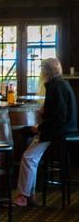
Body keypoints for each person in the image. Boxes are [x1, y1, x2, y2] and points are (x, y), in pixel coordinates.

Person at [13, 58, 77, 207]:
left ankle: (23, 195)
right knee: (32, 158)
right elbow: (59, 113)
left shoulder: (54, 87)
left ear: (46, 71)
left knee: (29, 158)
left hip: (58, 131)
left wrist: (40, 127)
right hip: (68, 129)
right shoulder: (63, 84)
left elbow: (58, 118)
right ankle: (30, 194)